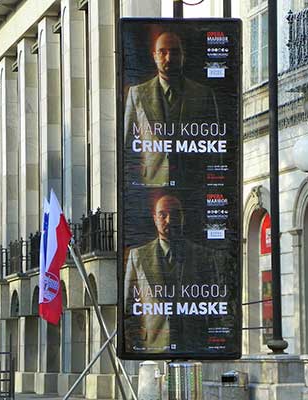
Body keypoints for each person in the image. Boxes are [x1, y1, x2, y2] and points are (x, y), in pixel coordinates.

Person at [123, 194, 231, 354]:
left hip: (193, 344)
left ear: (182, 217)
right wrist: (134, 342)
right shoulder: (137, 255)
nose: (169, 220)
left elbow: (215, 303)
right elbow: (128, 306)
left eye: (175, 214)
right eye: (163, 215)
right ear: (155, 219)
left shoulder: (203, 255)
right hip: (152, 346)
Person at [124, 31, 219, 187]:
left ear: (183, 55)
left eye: (175, 52)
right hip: (151, 184)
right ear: (154, 55)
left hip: (193, 183)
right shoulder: (137, 94)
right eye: (163, 52)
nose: (169, 58)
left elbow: (215, 144)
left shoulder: (203, 94)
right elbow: (128, 145)